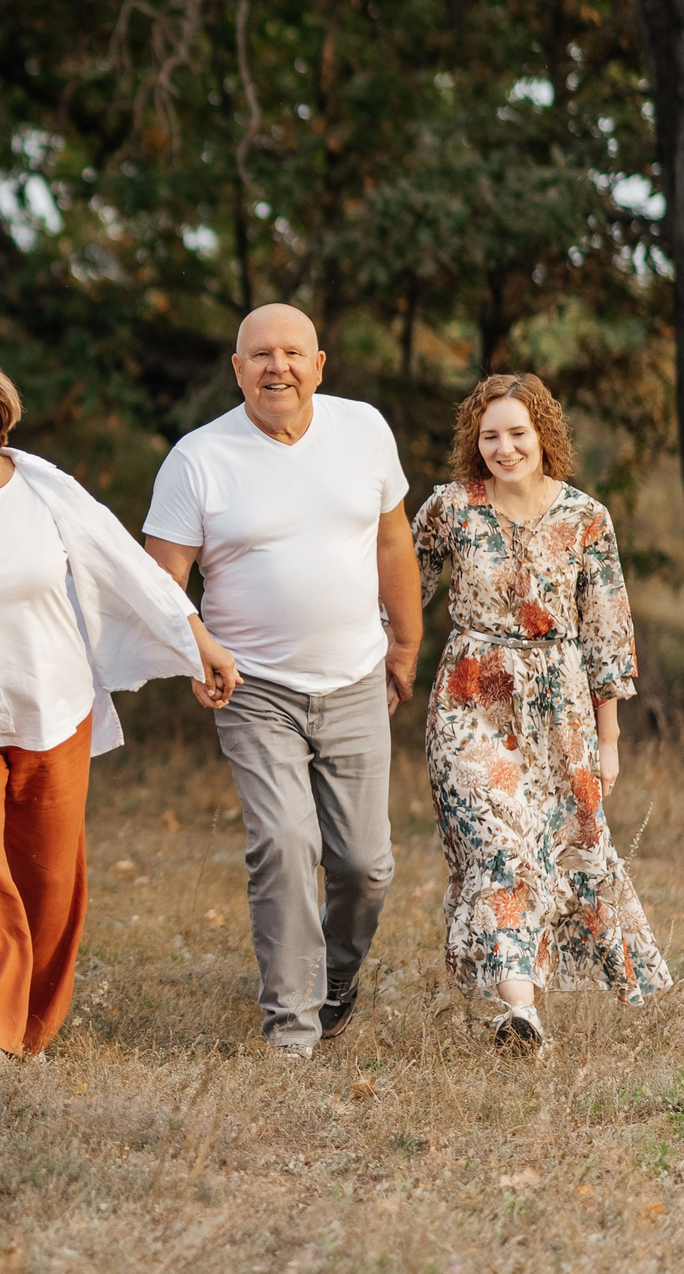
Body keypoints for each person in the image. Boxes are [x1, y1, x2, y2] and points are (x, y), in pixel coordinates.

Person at [0, 352, 242, 1067]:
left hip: (51, 702)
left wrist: (198, 643)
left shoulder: (47, 491)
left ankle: (29, 1023)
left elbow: (129, 567)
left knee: (49, 875)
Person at [142, 303, 420, 1060]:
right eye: (260, 354)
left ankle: (334, 981)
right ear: (237, 370)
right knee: (285, 841)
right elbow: (160, 581)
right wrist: (196, 646)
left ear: (319, 365)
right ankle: (292, 1026)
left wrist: (406, 641)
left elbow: (393, 538)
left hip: (356, 675)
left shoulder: (363, 430)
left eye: (292, 352)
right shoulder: (198, 459)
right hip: (254, 684)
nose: (278, 367)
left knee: (366, 863)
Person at [412, 374, 671, 1051]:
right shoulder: (451, 508)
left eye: (517, 433)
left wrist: (608, 741)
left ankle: (520, 998)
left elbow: (608, 632)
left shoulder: (586, 518)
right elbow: (399, 588)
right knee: (497, 845)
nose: (503, 446)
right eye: (489, 434)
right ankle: (519, 1011)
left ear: (543, 436)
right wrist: (385, 665)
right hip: (471, 697)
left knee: (557, 846)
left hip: (561, 708)